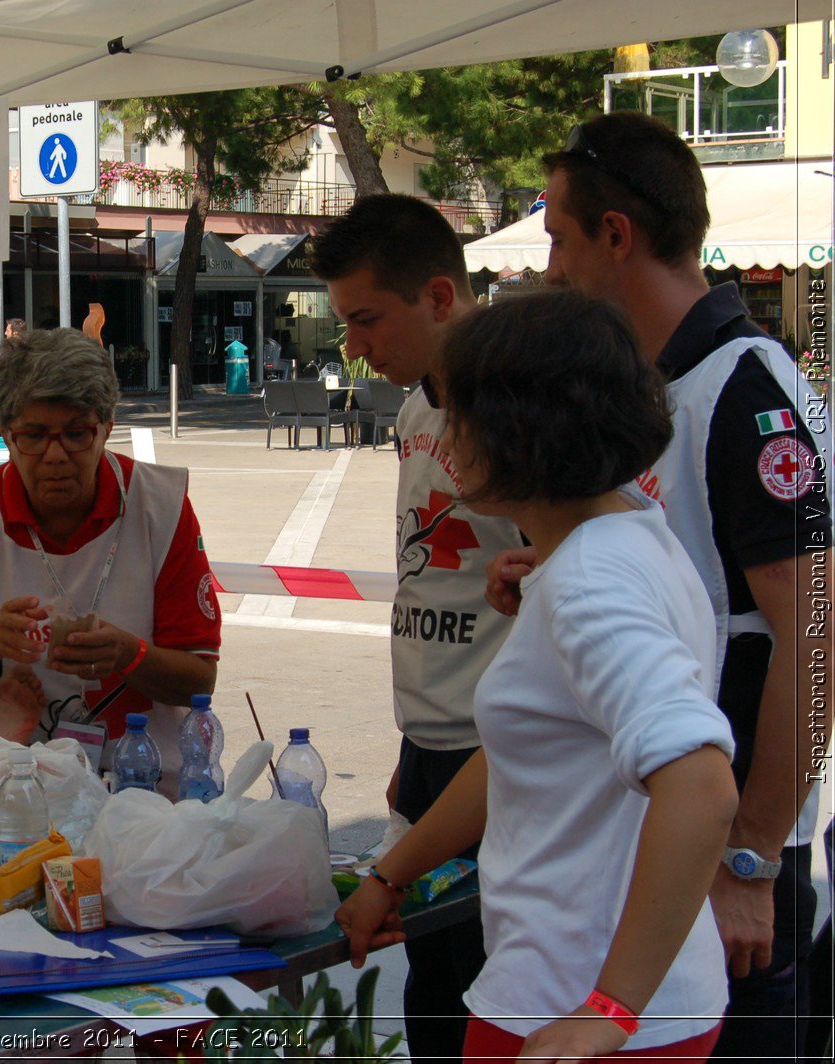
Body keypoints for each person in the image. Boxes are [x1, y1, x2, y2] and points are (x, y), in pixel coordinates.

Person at [487, 112, 827, 1059]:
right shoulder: (662, 385)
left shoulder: (745, 392)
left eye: (556, 235)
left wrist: (753, 859)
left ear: (616, 235)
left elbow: (816, 634)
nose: (551, 266)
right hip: (652, 853)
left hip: (728, 858)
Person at [338, 290, 740, 1061]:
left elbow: (700, 785)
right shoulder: (626, 533)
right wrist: (390, 877)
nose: (447, 438)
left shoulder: (590, 582)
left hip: (567, 1007)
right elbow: (528, 752)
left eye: (458, 415)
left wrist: (609, 1008)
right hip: (636, 996)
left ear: (512, 431)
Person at [311, 194, 523, 1061]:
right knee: (434, 999)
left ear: (439, 296)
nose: (355, 347)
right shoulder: (413, 412)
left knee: (482, 995)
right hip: (431, 751)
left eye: (366, 319)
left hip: (503, 761)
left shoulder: (521, 412)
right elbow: (430, 577)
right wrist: (412, 746)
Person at [0, 328, 220, 791]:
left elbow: (200, 680)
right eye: (34, 435)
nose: (55, 456)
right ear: (6, 435)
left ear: (107, 428)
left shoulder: (160, 505)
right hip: (5, 795)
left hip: (144, 793)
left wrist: (129, 655)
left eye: (75, 434)